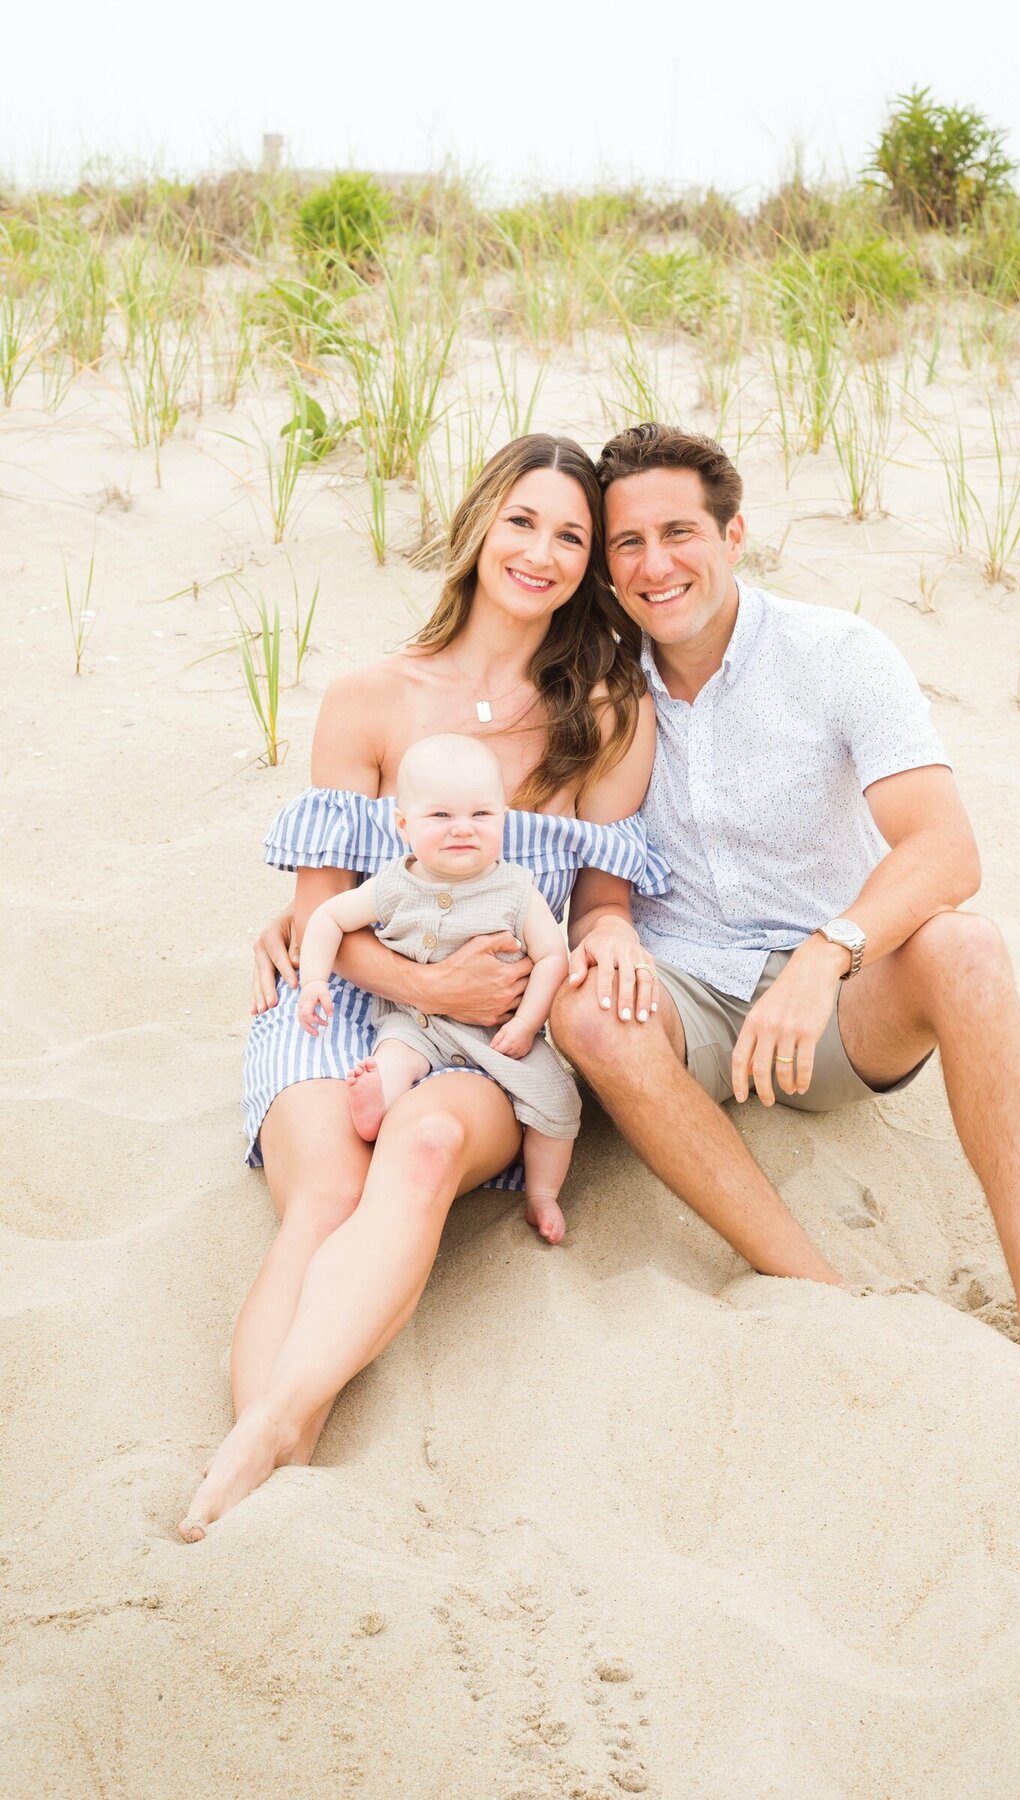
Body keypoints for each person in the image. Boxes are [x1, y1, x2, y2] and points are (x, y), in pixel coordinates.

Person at [179, 434, 664, 1540]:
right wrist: (421, 985)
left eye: (571, 538)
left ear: (591, 566)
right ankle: (275, 1439)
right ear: (481, 525)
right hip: (345, 1001)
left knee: (426, 1150)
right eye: (522, 522)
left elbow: (600, 900)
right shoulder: (370, 698)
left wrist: (606, 938)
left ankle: (265, 1431)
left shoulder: (604, 714)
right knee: (326, 1197)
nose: (539, 552)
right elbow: (320, 915)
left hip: (496, 1032)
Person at [551, 423, 1020, 1386]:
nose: (655, 565)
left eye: (680, 533)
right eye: (628, 543)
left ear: (734, 533)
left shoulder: (836, 653)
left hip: (839, 1004)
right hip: (688, 996)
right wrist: (609, 922)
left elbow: (947, 846)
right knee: (587, 1006)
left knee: (968, 950)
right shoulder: (607, 686)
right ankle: (816, 1287)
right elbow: (596, 867)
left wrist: (825, 954)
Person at [297, 733, 581, 1245]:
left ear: (504, 819)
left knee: (557, 1100)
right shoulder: (394, 884)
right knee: (396, 1055)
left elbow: (551, 957)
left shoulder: (516, 889)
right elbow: (329, 917)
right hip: (416, 1020)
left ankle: (541, 1193)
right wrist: (314, 980)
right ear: (403, 825)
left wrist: (525, 1023)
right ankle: (378, 1098)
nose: (463, 830)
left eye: (481, 815)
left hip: (497, 1030)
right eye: (441, 817)